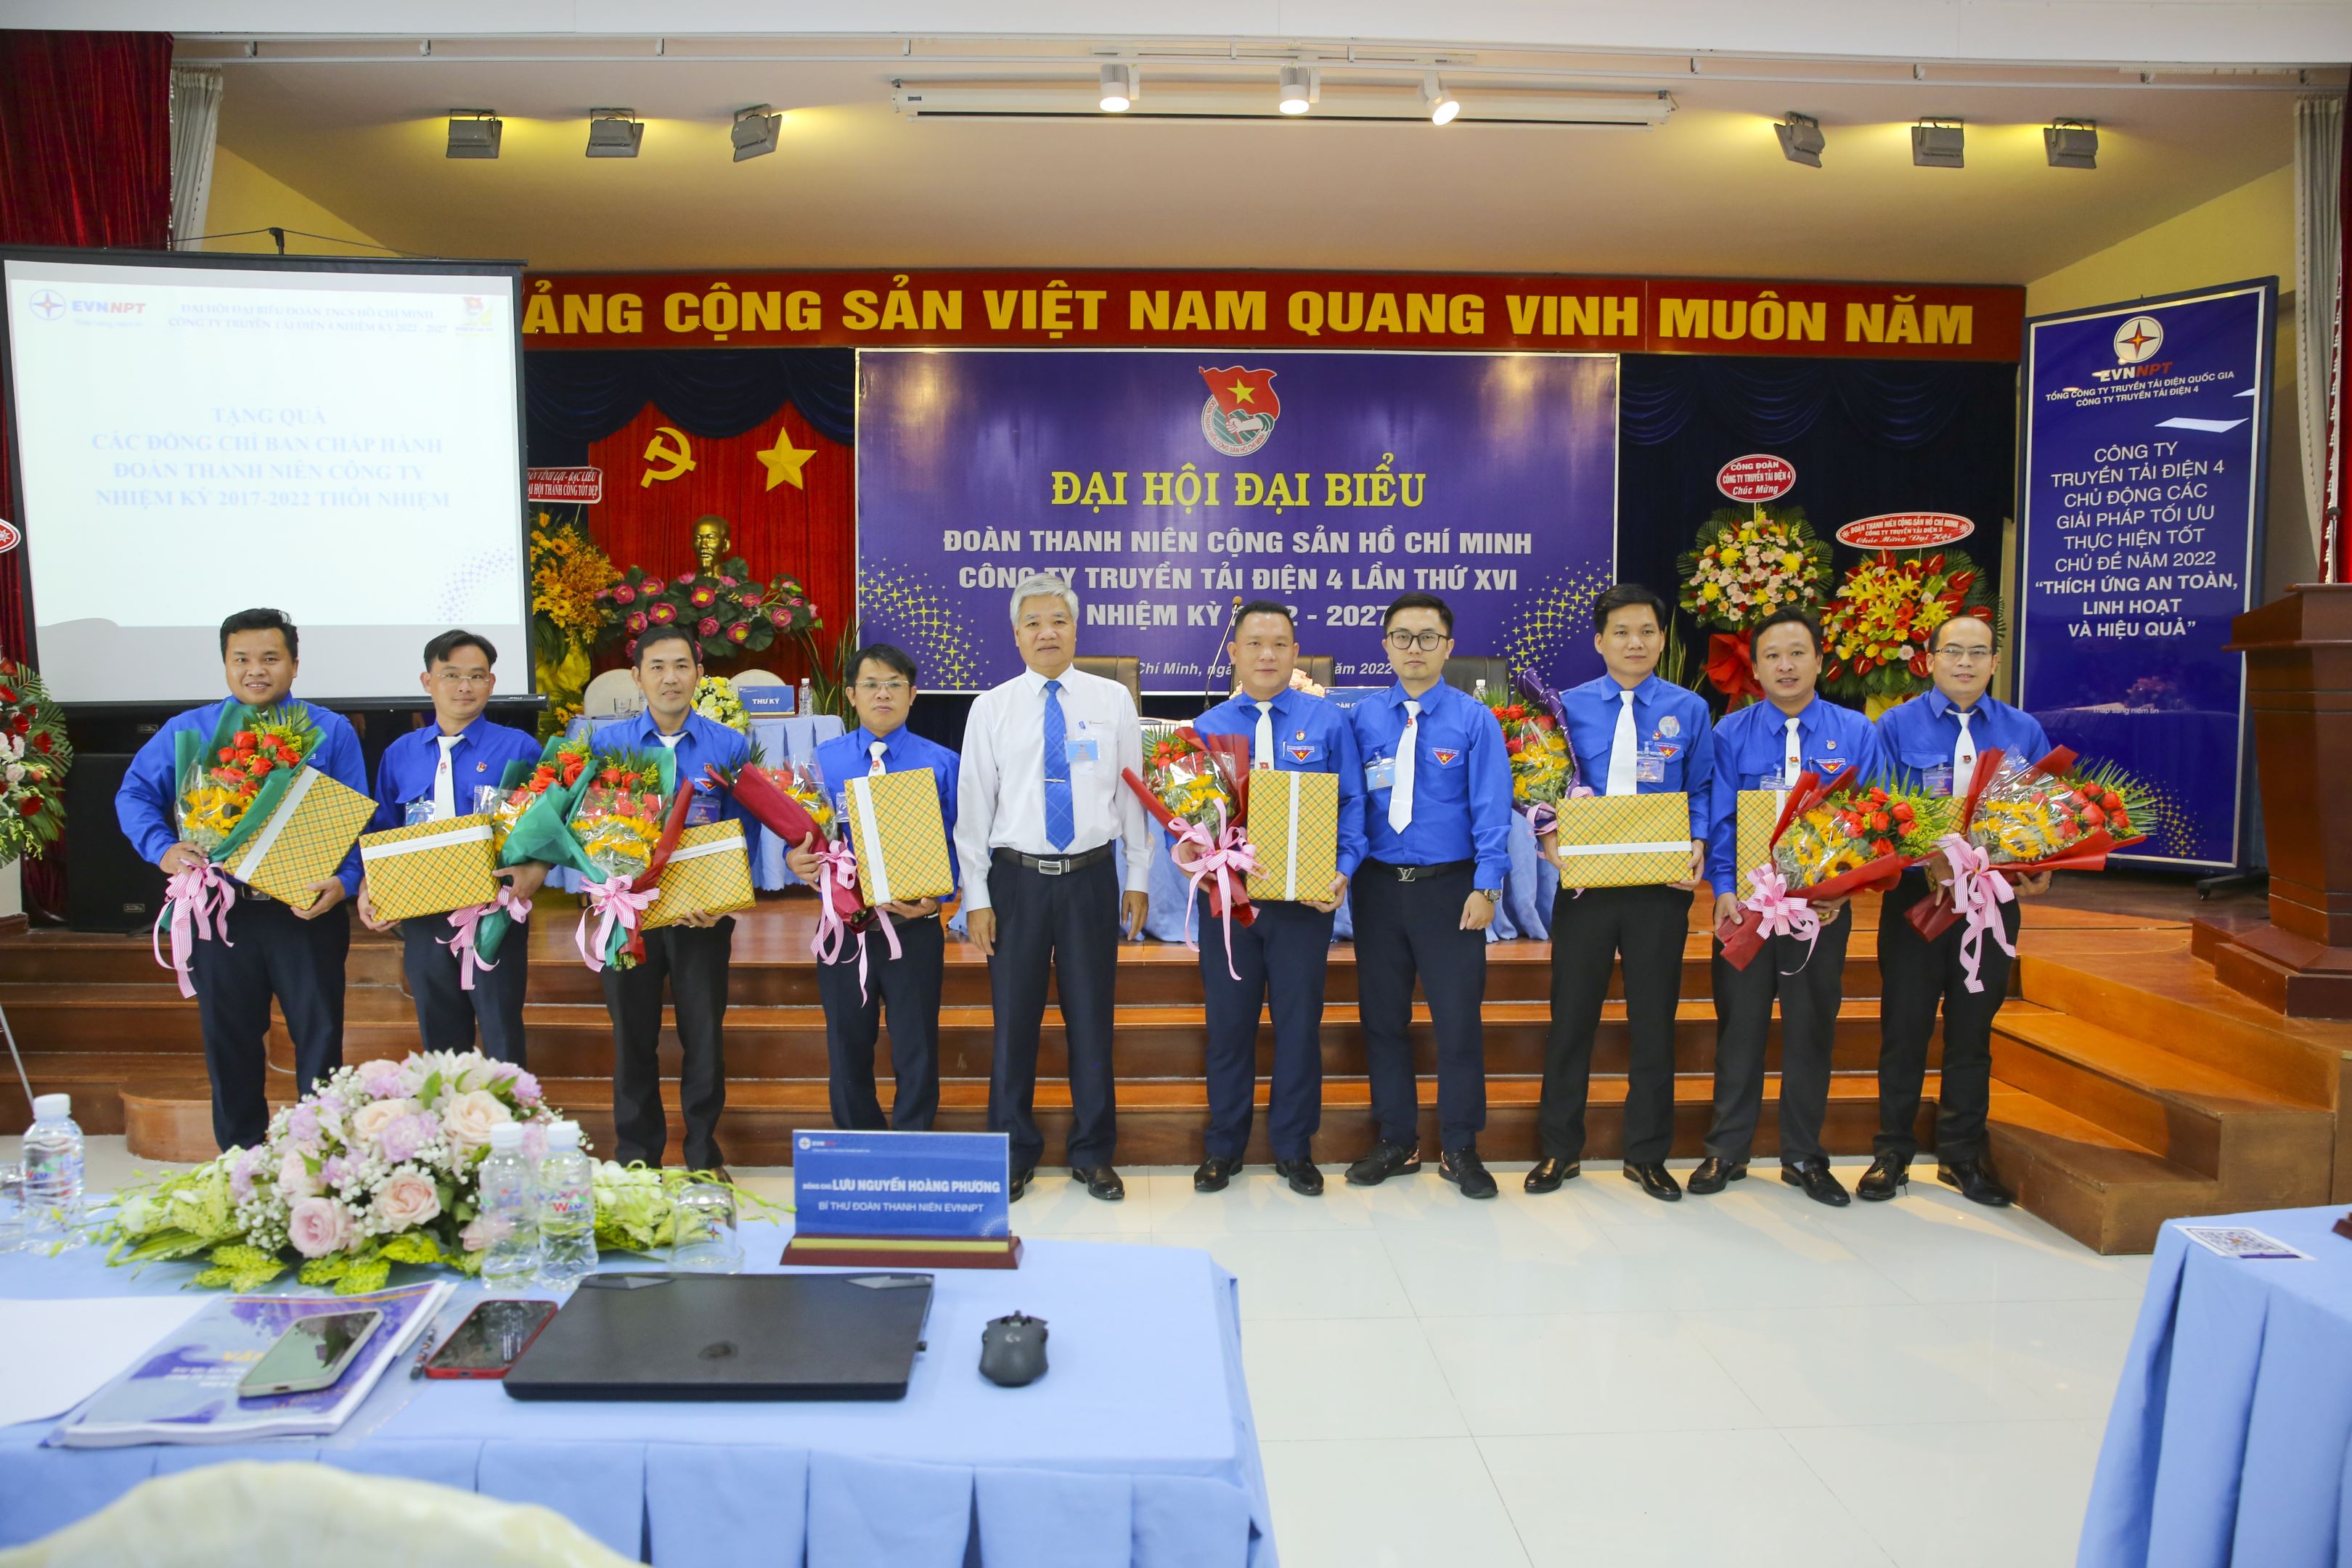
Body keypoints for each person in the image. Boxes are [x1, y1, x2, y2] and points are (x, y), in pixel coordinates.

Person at [115, 608, 366, 1152]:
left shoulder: (331, 731)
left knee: (321, 1042)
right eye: (242, 659)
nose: (257, 670)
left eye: (271, 658)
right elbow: (134, 794)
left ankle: (324, 1163)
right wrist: (163, 850)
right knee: (229, 1044)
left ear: (294, 665)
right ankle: (240, 1163)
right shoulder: (191, 731)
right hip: (220, 912)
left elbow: (357, 820)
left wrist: (346, 883)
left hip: (304, 912)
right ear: (226, 665)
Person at [954, 573, 1151, 1202]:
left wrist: (1138, 875)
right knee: (1014, 1022)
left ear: (1076, 630)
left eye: (1059, 621)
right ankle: (1013, 1152)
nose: (1047, 633)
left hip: (1091, 878)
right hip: (1016, 882)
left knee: (1092, 1020)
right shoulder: (991, 708)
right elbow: (973, 809)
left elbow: (1133, 795)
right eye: (1034, 623)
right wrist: (977, 897)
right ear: (1016, 635)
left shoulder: (1112, 700)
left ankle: (1093, 1153)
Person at [1531, 584, 1715, 1202]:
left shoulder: (1690, 709)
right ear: (1599, 641)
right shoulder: (1566, 708)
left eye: (1647, 632)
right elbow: (1537, 782)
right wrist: (1547, 833)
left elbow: (1703, 787)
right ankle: (1559, 1150)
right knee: (1571, 1021)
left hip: (1660, 889)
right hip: (1586, 887)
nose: (1635, 643)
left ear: (1662, 640)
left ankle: (1647, 1155)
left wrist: (1698, 841)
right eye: (1622, 633)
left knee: (1654, 1023)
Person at [1694, 607, 1881, 1206]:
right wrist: (1723, 888)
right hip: (1746, 909)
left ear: (1820, 660)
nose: (1786, 666)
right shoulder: (1730, 734)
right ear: (1756, 667)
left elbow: (1876, 821)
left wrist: (1844, 889)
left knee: (1810, 1030)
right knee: (1739, 1029)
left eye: (1797, 653)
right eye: (1772, 655)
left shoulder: (1857, 732)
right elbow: (1721, 819)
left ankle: (1804, 1156)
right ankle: (1727, 1150)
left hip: (1822, 914)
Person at [1177, 601, 1365, 1197]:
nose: (1267, 654)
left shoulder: (1328, 722)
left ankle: (1294, 1149)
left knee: (1299, 1029)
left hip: (1301, 908)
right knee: (1228, 1029)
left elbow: (1353, 804)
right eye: (1255, 644)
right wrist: (1194, 853)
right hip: (1229, 907)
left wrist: (1342, 870)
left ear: (1295, 654)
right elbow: (1185, 819)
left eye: (1280, 644)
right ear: (1234, 653)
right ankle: (1223, 1148)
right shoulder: (1206, 728)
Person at [1863, 611, 2050, 1206]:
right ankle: (1891, 1152)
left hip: (1990, 902)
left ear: (1995, 662)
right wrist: (1929, 862)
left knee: (1972, 1031)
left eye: (1977, 652)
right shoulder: (1894, 726)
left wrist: (2041, 862)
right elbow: (1876, 811)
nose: (1965, 662)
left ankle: (1962, 1155)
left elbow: (2046, 813)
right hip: (1918, 902)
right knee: (1905, 1028)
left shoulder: (2023, 729)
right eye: (1953, 651)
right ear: (1930, 660)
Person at [1343, 592, 1513, 1199]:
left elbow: (1493, 809)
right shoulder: (1360, 719)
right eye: (1403, 637)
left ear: (1448, 647)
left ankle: (1460, 1146)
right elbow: (1347, 804)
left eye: (1428, 638)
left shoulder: (1474, 720)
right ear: (1385, 646)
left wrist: (1488, 885)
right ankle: (1398, 1140)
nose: (1414, 648)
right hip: (1378, 890)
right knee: (1383, 1019)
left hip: (1452, 891)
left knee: (1457, 1023)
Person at [594, 624, 757, 1179]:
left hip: (701, 919)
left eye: (682, 666)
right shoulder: (606, 746)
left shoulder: (727, 746)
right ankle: (636, 1160)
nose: (671, 678)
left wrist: (725, 898)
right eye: (658, 667)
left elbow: (742, 830)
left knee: (704, 1039)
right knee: (631, 1039)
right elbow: (587, 831)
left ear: (699, 675)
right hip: (628, 920)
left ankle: (704, 1158)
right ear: (636, 676)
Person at [785, 643, 959, 1132]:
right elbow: (800, 835)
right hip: (844, 928)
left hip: (914, 926)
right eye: (871, 685)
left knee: (916, 1043)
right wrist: (794, 859)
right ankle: (858, 1142)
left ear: (913, 694)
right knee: (847, 1042)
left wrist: (940, 895)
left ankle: (913, 1144)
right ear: (851, 696)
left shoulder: (943, 763)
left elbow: (962, 840)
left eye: (894, 685)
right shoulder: (823, 763)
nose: (883, 694)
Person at [356, 630, 547, 1064]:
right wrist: (370, 886)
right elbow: (383, 829)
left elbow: (545, 826)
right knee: (439, 1034)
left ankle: (507, 1108)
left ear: (491, 683)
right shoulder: (400, 753)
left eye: (477, 676)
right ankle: (448, 1108)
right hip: (421, 913)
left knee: (501, 1030)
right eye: (451, 675)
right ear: (428, 682)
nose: (465, 686)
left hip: (495, 911)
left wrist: (537, 869)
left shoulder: (519, 748)